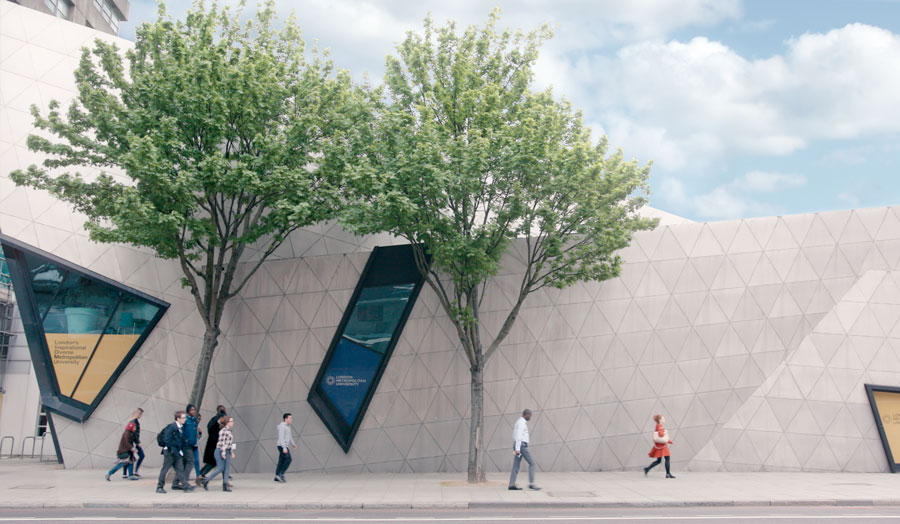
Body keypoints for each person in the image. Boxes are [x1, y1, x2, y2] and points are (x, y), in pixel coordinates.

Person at [156, 410, 195, 493]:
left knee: (180, 469)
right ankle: (159, 487)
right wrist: (171, 450)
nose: (185, 419)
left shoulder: (180, 427)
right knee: (165, 469)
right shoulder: (172, 427)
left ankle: (185, 485)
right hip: (170, 452)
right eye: (183, 418)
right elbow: (167, 439)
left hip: (177, 452)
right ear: (178, 418)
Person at [508, 408, 540, 491]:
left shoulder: (519, 422)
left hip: (517, 446)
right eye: (529, 416)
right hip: (521, 446)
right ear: (526, 414)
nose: (530, 417)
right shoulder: (521, 423)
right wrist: (518, 449)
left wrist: (516, 448)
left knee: (516, 465)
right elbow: (518, 436)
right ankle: (531, 483)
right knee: (532, 463)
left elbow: (514, 435)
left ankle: (511, 484)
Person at [202, 416, 235, 492]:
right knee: (221, 468)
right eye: (231, 421)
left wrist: (231, 452)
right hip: (220, 450)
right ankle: (206, 480)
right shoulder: (223, 431)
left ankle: (225, 485)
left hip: (226, 451)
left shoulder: (228, 431)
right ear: (227, 422)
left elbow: (229, 444)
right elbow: (222, 443)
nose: (233, 423)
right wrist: (223, 453)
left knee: (226, 469)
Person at [199, 405, 227, 482]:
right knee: (213, 462)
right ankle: (201, 475)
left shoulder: (216, 421)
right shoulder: (215, 422)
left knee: (217, 462)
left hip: (215, 445)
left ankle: (225, 480)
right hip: (213, 446)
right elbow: (212, 432)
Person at [644, 414, 675, 478]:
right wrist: (665, 432)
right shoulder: (660, 426)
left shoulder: (658, 426)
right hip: (663, 446)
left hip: (659, 446)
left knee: (658, 461)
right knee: (667, 458)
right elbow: (661, 435)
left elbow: (661, 438)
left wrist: (669, 441)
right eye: (663, 419)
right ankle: (668, 474)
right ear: (660, 420)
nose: (664, 420)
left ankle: (647, 469)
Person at [122, 408, 144, 479]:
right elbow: (134, 433)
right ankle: (133, 472)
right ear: (138, 414)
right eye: (140, 414)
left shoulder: (134, 421)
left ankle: (125, 473)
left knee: (128, 457)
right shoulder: (133, 422)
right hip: (133, 442)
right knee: (134, 456)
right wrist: (138, 442)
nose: (141, 416)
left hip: (132, 441)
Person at [274, 413, 296, 483]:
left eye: (291, 418)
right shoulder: (282, 426)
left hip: (284, 446)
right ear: (285, 419)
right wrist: (284, 447)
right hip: (281, 446)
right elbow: (281, 437)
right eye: (290, 418)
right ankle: (281, 474)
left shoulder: (288, 426)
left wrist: (293, 444)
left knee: (281, 461)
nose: (291, 419)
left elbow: (289, 436)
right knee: (288, 459)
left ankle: (277, 476)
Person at [184, 404, 202, 481]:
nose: (193, 411)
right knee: (188, 462)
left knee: (196, 460)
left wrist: (200, 433)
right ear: (188, 411)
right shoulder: (186, 420)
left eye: (194, 409)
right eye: (192, 410)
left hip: (194, 444)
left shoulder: (195, 420)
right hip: (188, 445)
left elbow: (197, 435)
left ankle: (198, 475)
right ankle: (184, 478)